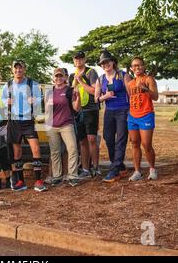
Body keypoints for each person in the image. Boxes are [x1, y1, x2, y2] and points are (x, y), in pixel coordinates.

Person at [1, 59, 47, 192]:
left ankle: (38, 180)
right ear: (12, 70)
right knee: (17, 152)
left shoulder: (32, 84)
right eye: (15, 68)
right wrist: (7, 101)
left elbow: (40, 98)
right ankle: (21, 181)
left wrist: (35, 101)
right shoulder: (8, 84)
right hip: (14, 121)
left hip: (28, 120)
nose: (18, 70)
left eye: (20, 68)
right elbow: (3, 99)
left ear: (24, 69)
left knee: (36, 149)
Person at [95, 51, 131, 183]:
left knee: (121, 139)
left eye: (107, 62)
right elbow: (96, 99)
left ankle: (115, 170)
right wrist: (106, 96)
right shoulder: (100, 79)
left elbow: (131, 95)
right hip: (109, 111)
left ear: (113, 62)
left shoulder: (123, 75)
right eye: (103, 63)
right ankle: (119, 165)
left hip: (123, 110)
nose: (105, 65)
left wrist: (131, 112)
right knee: (108, 138)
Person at [68, 51, 101, 180]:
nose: (78, 61)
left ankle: (96, 168)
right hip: (78, 111)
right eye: (76, 59)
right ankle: (86, 169)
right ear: (73, 61)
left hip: (90, 109)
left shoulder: (91, 72)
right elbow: (71, 93)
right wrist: (75, 83)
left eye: (81, 58)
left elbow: (94, 91)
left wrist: (81, 81)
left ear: (85, 59)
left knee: (92, 139)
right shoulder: (72, 75)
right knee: (82, 141)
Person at [45, 68, 80, 187]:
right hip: (52, 126)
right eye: (56, 76)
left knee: (72, 149)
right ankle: (57, 176)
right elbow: (46, 109)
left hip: (66, 124)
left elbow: (76, 108)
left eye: (61, 76)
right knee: (55, 152)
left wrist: (78, 98)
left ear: (65, 78)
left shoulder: (69, 90)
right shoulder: (50, 92)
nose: (58, 78)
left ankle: (73, 176)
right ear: (53, 78)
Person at [126, 56, 159, 181]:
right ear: (131, 68)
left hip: (146, 115)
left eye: (139, 65)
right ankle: (137, 171)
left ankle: (152, 169)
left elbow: (155, 96)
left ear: (144, 66)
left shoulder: (148, 79)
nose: (137, 67)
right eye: (134, 66)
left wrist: (145, 89)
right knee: (134, 143)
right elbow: (131, 99)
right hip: (133, 116)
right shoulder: (130, 83)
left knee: (146, 144)